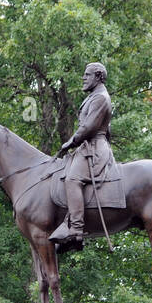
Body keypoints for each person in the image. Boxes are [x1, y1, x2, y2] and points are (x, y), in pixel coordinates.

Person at [50, 62, 113, 251]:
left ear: (99, 76)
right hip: (87, 147)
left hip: (95, 148)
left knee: (72, 179)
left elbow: (89, 127)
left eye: (87, 75)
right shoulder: (94, 96)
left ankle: (76, 231)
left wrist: (71, 141)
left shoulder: (101, 98)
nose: (83, 78)